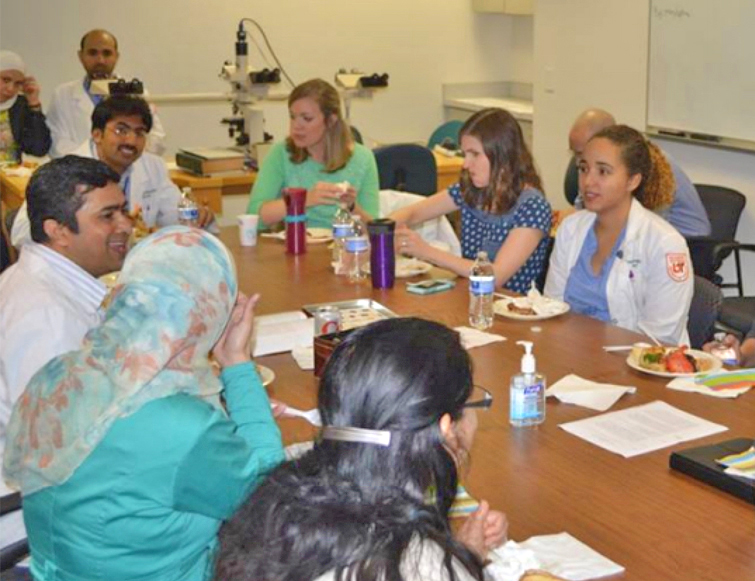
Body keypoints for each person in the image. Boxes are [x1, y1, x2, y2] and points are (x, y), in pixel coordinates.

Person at [3, 226, 285, 581]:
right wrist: (237, 361)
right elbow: (269, 493)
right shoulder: (185, 427)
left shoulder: (58, 376)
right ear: (210, 313)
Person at [216, 318, 507, 581]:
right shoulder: (415, 563)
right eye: (472, 404)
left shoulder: (276, 496)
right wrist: (467, 559)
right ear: (445, 428)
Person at [0, 156, 130, 557]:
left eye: (123, 210)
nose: (126, 225)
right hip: (39, 518)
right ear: (57, 231)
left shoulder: (41, 282)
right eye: (108, 216)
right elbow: (56, 456)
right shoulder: (46, 317)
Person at [545, 124, 694, 345]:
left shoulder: (665, 244)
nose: (588, 181)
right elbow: (551, 307)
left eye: (603, 171)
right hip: (570, 354)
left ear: (633, 180)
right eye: (583, 169)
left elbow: (660, 338)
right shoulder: (571, 228)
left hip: (634, 367)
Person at [11, 95, 214, 246]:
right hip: (84, 272)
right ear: (97, 135)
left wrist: (194, 218)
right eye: (121, 130)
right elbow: (20, 234)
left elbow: (176, 220)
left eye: (139, 132)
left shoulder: (153, 167)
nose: (131, 141)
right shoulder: (65, 172)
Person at [388, 108, 552, 293]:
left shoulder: (533, 206)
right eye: (465, 154)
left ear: (502, 154)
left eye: (474, 154)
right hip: (472, 299)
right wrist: (385, 227)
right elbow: (413, 213)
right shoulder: (472, 190)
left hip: (511, 307)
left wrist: (425, 251)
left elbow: (496, 276)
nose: (466, 164)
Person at [247, 78, 379, 230]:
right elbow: (254, 217)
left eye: (307, 118)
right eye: (292, 116)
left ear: (331, 120)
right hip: (295, 247)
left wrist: (352, 207)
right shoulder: (280, 154)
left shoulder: (363, 159)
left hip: (342, 248)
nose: (296, 126)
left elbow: (374, 228)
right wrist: (304, 200)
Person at [565, 108, 711, 238]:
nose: (577, 162)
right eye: (574, 153)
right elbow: (586, 207)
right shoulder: (595, 164)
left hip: (690, 243)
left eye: (580, 153)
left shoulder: (653, 165)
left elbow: (648, 229)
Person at [46, 29, 166, 157]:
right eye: (92, 53)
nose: (100, 61)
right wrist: (100, 161)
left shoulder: (135, 93)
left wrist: (123, 157)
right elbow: (57, 144)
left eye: (107, 53)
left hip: (128, 171)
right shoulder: (62, 95)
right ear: (81, 56)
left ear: (116, 57)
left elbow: (156, 139)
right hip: (80, 174)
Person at [0, 50, 51, 163]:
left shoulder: (20, 105)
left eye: (18, 83)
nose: (10, 89)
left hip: (10, 177)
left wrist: (34, 103)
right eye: (5, 80)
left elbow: (39, 149)